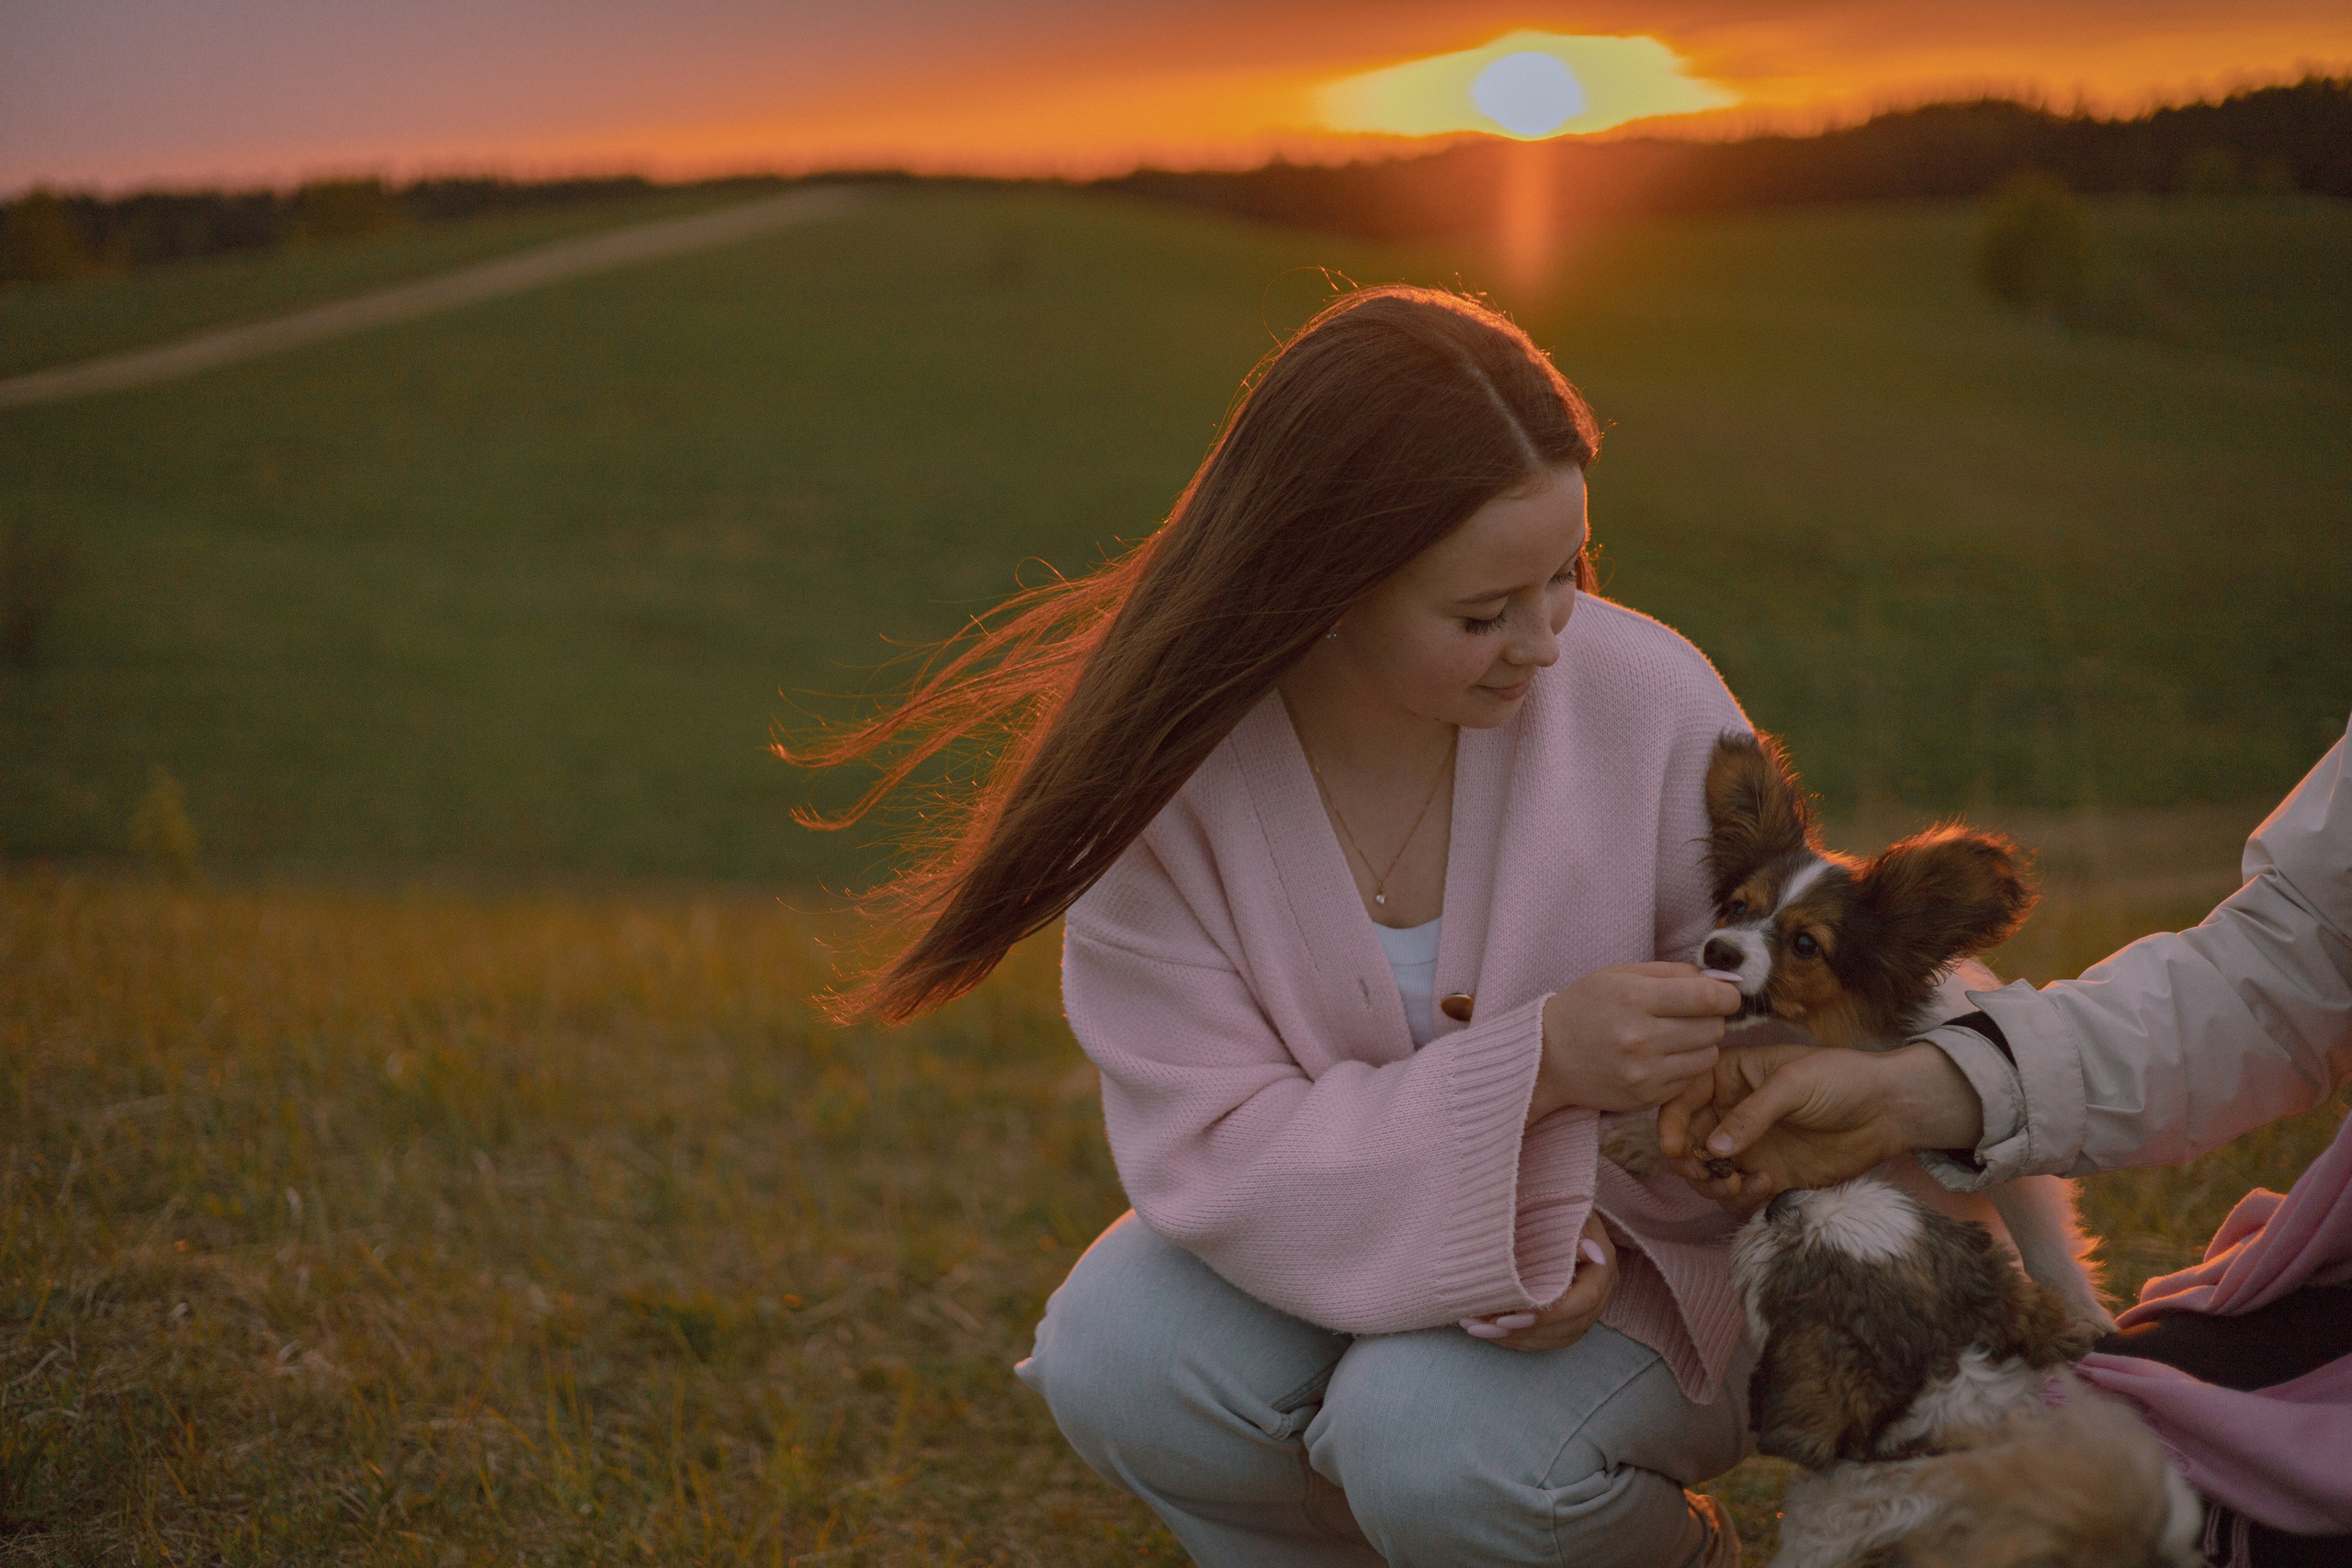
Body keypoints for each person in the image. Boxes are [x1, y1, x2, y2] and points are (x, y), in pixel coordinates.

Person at [787, 288, 1752, 1566]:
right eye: (1482, 614)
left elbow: (1794, 1014)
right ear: (1331, 588)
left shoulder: (1648, 696)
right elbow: (1220, 1151)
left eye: (1562, 576)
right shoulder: (1167, 779)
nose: (1545, 643)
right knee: (1119, 1348)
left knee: (1426, 1437)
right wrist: (1538, 1066)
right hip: (1335, 1230)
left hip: (1656, 1258)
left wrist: (1571, 1209)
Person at [1657, 706, 2352, 1565]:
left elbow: (2028, 1204)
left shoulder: (1919, 1001)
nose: (1740, 939)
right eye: (1740, 909)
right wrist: (1918, 1097)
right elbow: (2284, 966)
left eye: (1800, 942)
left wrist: (2065, 1292)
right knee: (2128, 1425)